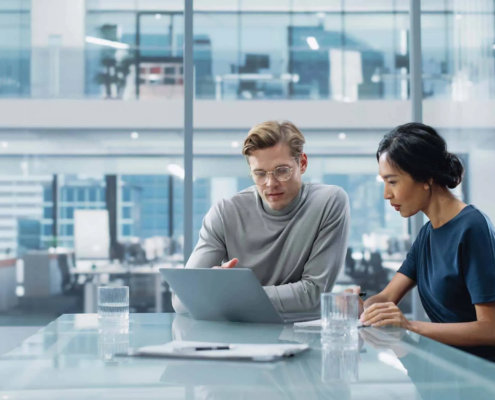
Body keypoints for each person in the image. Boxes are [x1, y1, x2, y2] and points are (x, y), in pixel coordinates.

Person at [350, 122, 495, 361]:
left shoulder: (472, 227)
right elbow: (387, 297)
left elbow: (490, 329)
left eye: (393, 181)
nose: (386, 194)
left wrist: (411, 326)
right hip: (445, 365)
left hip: (478, 374)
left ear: (426, 177)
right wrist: (361, 307)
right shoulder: (428, 233)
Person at [173, 120, 350, 314]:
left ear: (303, 163)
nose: (270, 183)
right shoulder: (225, 213)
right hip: (237, 337)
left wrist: (225, 295)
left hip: (302, 335)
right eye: (259, 174)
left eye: (282, 171)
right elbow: (182, 299)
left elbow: (312, 294)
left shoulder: (329, 202)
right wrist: (216, 289)